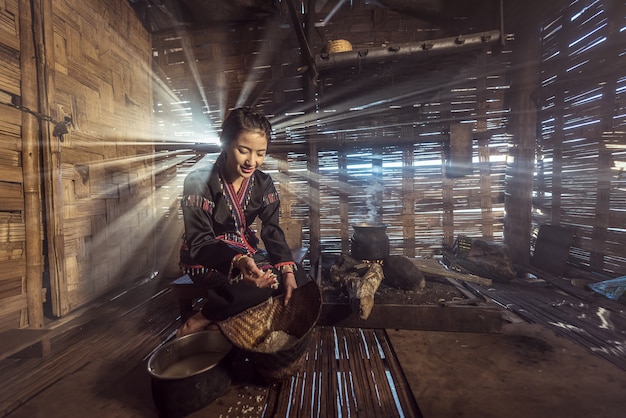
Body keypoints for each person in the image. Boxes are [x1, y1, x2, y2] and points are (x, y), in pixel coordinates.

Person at [176, 107, 308, 338]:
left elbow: (272, 230)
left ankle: (221, 325)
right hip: (206, 257)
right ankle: (204, 317)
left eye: (260, 153)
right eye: (243, 150)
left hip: (244, 251)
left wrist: (287, 270)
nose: (252, 161)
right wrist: (238, 260)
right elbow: (199, 241)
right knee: (255, 286)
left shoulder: (263, 183)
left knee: (299, 278)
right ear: (225, 143)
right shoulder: (198, 181)